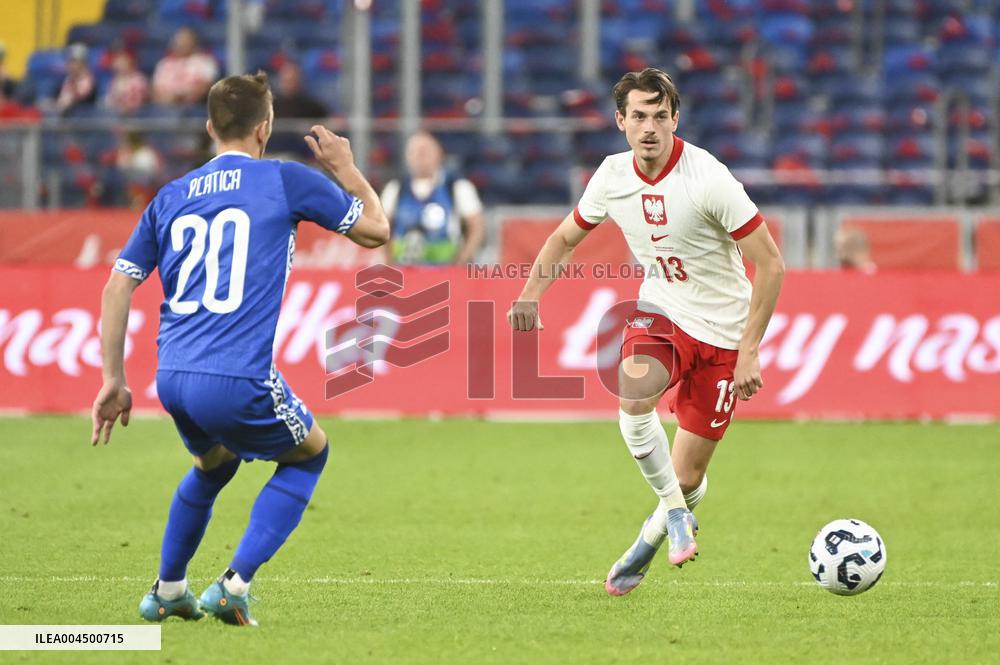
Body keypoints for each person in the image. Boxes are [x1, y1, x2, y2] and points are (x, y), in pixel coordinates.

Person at [90, 71, 389, 626]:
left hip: (172, 376)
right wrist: (346, 170)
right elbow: (376, 230)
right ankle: (233, 585)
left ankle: (169, 589)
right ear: (265, 127)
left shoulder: (169, 195)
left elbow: (117, 284)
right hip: (236, 376)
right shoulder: (284, 179)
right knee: (310, 454)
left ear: (208, 127)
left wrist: (113, 379)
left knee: (214, 465)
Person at [507, 68, 784, 595]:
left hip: (724, 332)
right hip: (662, 312)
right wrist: (528, 295)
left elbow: (771, 265)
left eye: (660, 116)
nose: (650, 127)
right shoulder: (611, 177)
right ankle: (677, 519)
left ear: (675, 119)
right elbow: (565, 238)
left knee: (685, 478)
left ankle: (649, 538)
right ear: (621, 122)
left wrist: (749, 353)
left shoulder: (708, 178)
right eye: (639, 116)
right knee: (634, 392)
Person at [380, 130, 485, 265]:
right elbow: (381, 229)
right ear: (407, 156)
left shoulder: (457, 186)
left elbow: (477, 227)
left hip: (446, 270)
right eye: (415, 152)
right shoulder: (395, 188)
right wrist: (389, 263)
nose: (420, 156)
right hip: (405, 270)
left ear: (439, 154)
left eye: (426, 151)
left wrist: (461, 261)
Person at [151, 27, 219, 106]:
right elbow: (154, 91)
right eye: (179, 40)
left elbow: (207, 87)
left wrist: (181, 98)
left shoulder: (206, 62)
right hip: (166, 108)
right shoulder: (164, 63)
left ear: (193, 41)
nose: (182, 43)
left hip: (194, 108)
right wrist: (168, 99)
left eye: (185, 40)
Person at [55, 44, 96, 115]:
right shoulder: (67, 79)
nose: (70, 65)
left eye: (74, 61)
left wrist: (73, 81)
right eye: (70, 61)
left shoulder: (89, 79)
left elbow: (82, 98)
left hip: (82, 117)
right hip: (65, 114)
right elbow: (61, 99)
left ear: (83, 63)